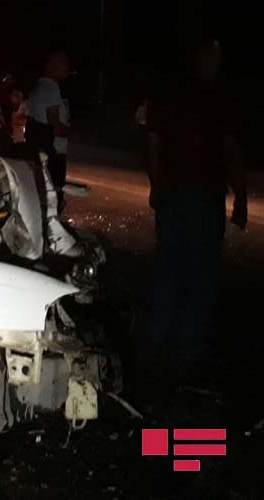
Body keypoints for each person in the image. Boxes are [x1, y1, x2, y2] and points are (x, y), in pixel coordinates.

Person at [146, 38, 247, 361]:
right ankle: (187, 344)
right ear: (205, 60)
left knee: (171, 266)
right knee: (199, 271)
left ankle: (161, 338)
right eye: (215, 58)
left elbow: (154, 143)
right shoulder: (218, 99)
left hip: (177, 195)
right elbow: (231, 151)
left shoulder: (172, 94)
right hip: (201, 197)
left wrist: (156, 184)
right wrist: (241, 196)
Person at [26, 49, 72, 213]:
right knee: (54, 198)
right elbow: (56, 127)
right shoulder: (50, 88)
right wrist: (70, 131)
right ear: (52, 66)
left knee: (43, 197)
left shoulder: (37, 88)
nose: (67, 67)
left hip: (42, 152)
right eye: (63, 63)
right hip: (54, 152)